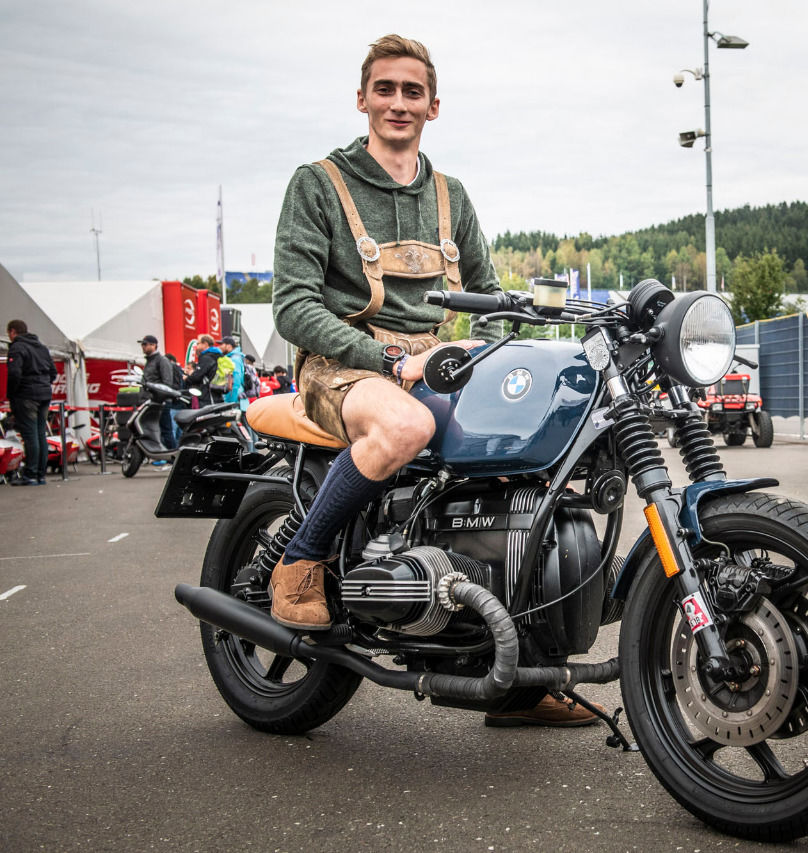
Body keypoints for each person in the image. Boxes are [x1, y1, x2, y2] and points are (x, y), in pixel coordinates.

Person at [269, 34, 595, 726]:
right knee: (405, 425)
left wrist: (508, 345)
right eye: (384, 89)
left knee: (525, 453)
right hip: (341, 366)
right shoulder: (318, 184)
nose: (397, 102)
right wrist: (387, 360)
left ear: (434, 106)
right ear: (362, 98)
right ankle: (299, 560)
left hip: (436, 367)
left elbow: (490, 295)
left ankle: (517, 675)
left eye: (411, 91)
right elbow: (293, 305)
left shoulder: (451, 197)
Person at [5, 319, 58, 485]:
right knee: (40, 433)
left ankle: (30, 474)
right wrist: (42, 384)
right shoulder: (41, 347)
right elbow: (53, 372)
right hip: (44, 395)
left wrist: (11, 394)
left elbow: (14, 374)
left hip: (26, 396)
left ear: (13, 332)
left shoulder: (17, 347)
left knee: (30, 435)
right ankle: (40, 474)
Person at [138, 335, 178, 456]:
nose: (143, 347)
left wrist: (160, 397)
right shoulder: (150, 361)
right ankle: (161, 456)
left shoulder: (162, 360)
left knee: (165, 430)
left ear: (153, 345)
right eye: (142, 344)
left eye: (145, 344)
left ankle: (172, 458)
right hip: (151, 402)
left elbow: (167, 383)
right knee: (153, 430)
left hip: (161, 402)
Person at [184, 334, 222, 403]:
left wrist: (186, 378)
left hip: (207, 396)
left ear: (205, 344)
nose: (197, 346)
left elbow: (197, 377)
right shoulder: (217, 356)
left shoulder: (206, 358)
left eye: (198, 343)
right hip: (216, 394)